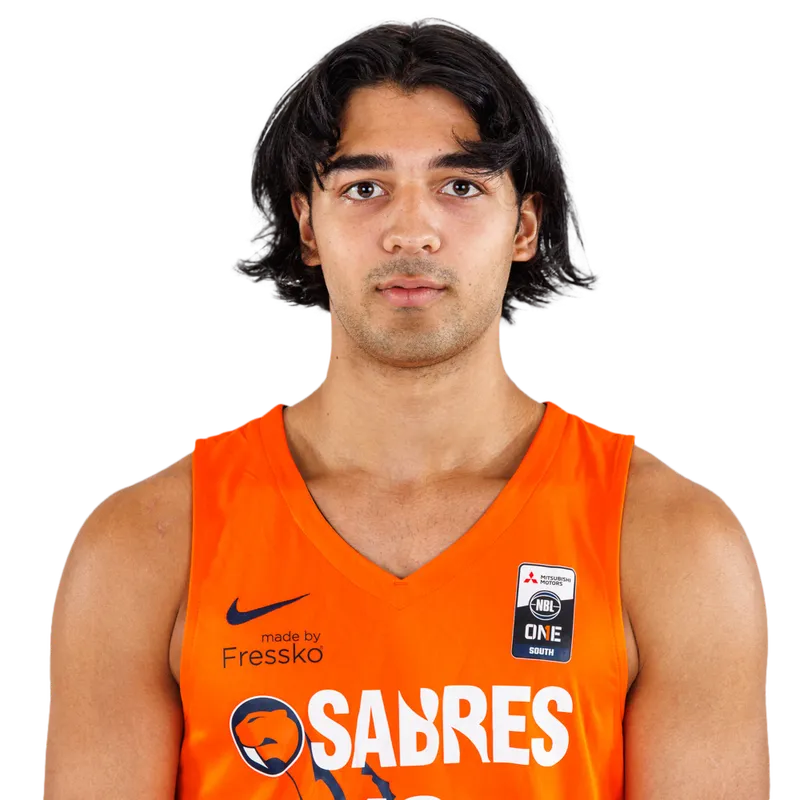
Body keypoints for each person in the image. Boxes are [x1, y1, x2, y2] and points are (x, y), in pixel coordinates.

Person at [43, 16, 770, 799]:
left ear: (523, 225)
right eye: (365, 188)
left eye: (460, 186)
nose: (411, 232)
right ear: (307, 225)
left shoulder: (670, 544)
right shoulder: (146, 546)